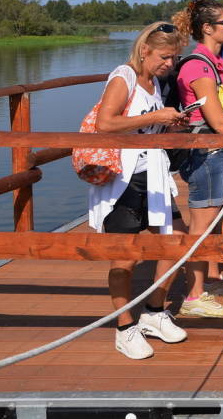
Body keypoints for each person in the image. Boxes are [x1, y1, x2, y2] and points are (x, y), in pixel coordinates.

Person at [88, 22, 188, 359]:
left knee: (174, 244)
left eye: (174, 58)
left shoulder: (154, 81)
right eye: (164, 57)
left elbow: (146, 124)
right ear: (145, 50)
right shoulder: (124, 76)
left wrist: (169, 121)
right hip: (124, 179)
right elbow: (106, 123)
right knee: (126, 256)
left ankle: (155, 312)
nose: (169, 64)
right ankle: (124, 327)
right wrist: (156, 115)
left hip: (154, 175)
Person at [171, 0, 223, 318]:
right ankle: (194, 296)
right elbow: (217, 119)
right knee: (201, 223)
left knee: (210, 221)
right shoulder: (199, 66)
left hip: (214, 152)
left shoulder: (212, 62)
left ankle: (206, 283)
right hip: (206, 151)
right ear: (208, 28)